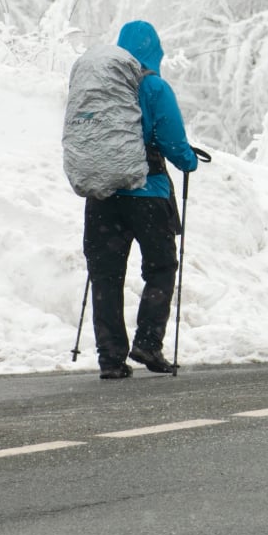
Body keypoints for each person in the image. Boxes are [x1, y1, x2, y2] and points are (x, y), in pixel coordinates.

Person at [84, 20, 199, 379]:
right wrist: (188, 160)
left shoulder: (101, 88)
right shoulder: (152, 86)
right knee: (161, 267)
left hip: (102, 194)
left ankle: (110, 358)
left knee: (105, 275)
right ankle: (148, 342)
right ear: (154, 51)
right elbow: (173, 141)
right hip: (147, 194)